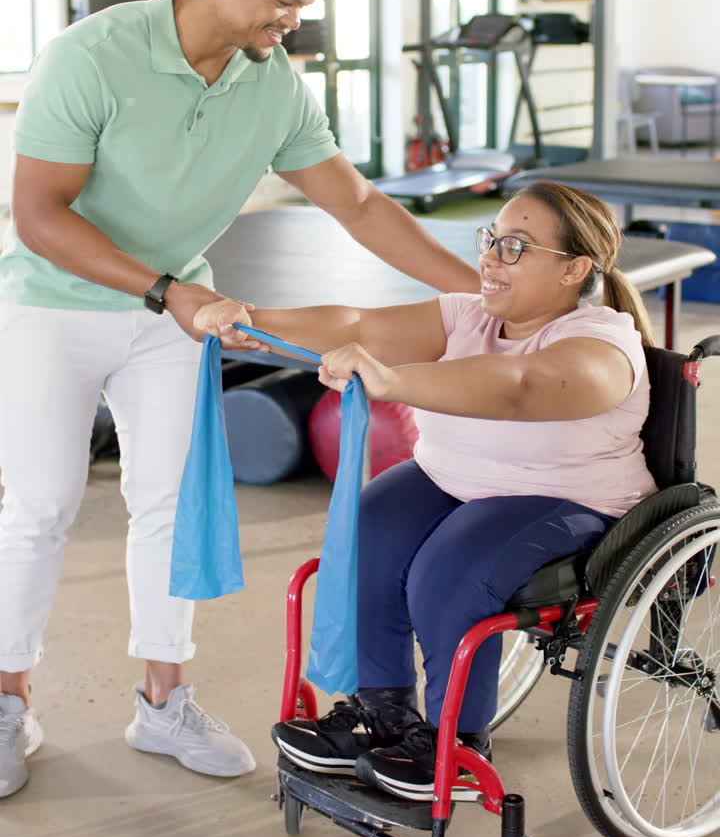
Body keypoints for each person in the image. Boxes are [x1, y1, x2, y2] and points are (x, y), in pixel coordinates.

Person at [0, 0, 482, 800]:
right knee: (38, 508)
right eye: (282, 0)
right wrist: (166, 290)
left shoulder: (272, 81)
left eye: (303, 4)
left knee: (168, 509)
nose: (292, 21)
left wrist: (474, 290)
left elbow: (361, 205)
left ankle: (162, 702)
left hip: (174, 317)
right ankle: (6, 702)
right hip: (53, 309)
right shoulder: (93, 55)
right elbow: (37, 217)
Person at [195, 181, 656, 803]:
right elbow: (357, 324)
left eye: (516, 246)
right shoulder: (471, 314)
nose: (491, 258)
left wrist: (394, 380)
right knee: (361, 538)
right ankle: (383, 716)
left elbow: (518, 386)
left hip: (563, 498)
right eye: (491, 239)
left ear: (575, 268)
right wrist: (252, 320)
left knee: (447, 572)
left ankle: (456, 745)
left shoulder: (603, 346)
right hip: (454, 479)